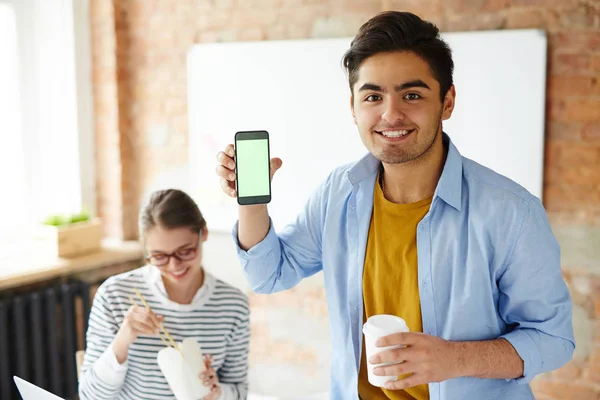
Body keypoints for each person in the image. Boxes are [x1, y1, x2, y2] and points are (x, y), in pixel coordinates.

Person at [215, 10, 574, 400]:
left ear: (447, 101)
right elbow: (270, 274)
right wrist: (250, 201)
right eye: (373, 96)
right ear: (353, 108)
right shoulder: (339, 192)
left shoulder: (511, 212)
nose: (390, 114)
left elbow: (553, 339)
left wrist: (454, 360)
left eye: (412, 95)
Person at [79, 189, 250, 400]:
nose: (174, 265)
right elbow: (89, 395)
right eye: (159, 256)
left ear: (203, 233)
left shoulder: (233, 305)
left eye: (185, 251)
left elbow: (240, 392)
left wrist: (218, 392)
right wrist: (123, 340)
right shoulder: (115, 296)